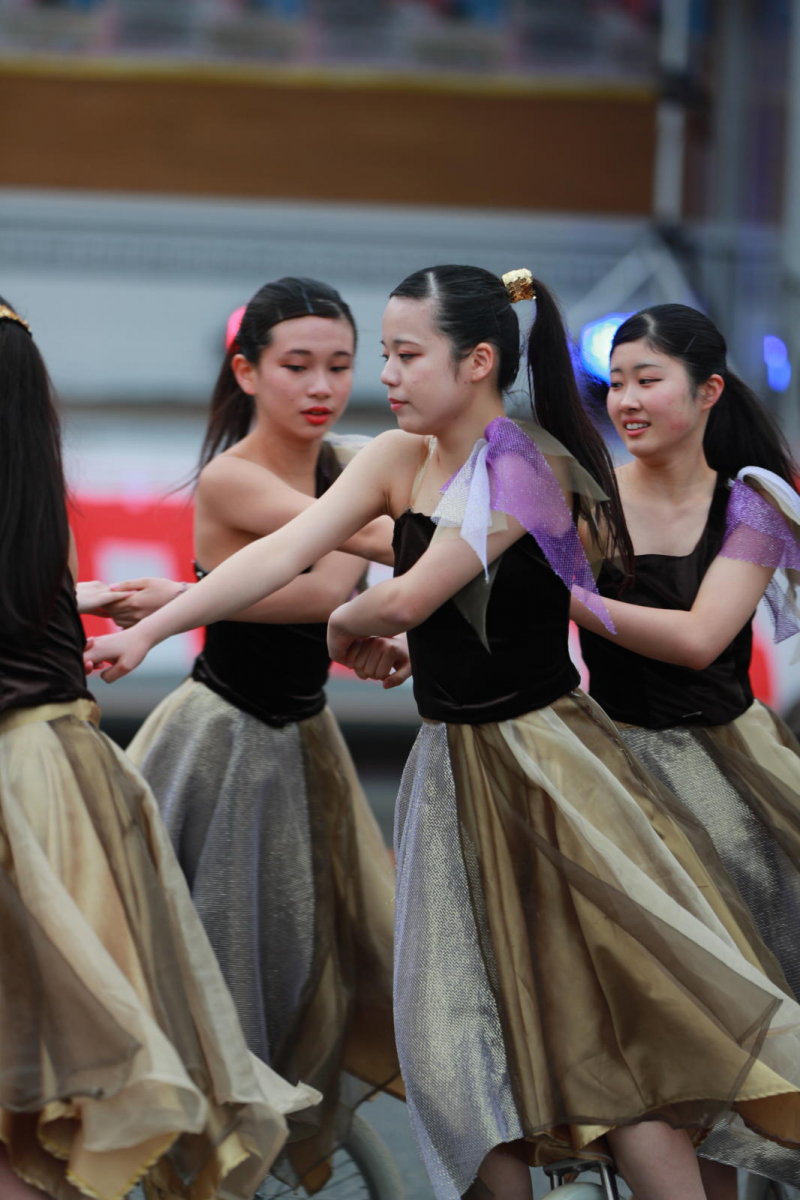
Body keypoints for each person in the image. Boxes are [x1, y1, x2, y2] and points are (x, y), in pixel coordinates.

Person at [85, 266, 800, 1200]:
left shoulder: (527, 462)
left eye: (400, 354)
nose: (382, 374)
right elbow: (285, 552)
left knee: (612, 1051)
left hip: (547, 770)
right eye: (379, 354)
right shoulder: (392, 457)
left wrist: (356, 625)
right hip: (452, 766)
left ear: (477, 362)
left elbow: (419, 590)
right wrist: (150, 629)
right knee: (451, 1052)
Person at [0, 298, 319, 1200]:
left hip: (20, 786)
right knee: (51, 1075)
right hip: (69, 773)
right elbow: (44, 601)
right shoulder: (29, 490)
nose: (325, 385)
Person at [116, 279, 404, 1192]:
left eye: (339, 367)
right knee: (223, 985)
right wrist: (386, 574)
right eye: (296, 366)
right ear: (246, 371)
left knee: (313, 975)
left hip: (303, 741)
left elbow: (322, 600)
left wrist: (373, 627)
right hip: (226, 745)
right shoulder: (237, 473)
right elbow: (327, 586)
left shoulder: (348, 465)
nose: (320, 386)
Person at [572, 303, 800, 1196]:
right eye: (617, 381)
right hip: (613, 776)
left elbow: (703, 638)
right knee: (652, 1053)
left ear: (706, 392)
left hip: (731, 787)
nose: (626, 398)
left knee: (729, 1061)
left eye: (647, 379)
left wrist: (563, 599)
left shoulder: (755, 503)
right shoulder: (585, 496)